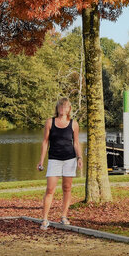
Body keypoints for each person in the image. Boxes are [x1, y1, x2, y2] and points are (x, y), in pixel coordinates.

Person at [37, 97, 82, 229]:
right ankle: (45, 219)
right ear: (57, 108)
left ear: (69, 109)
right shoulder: (50, 122)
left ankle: (63, 216)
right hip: (54, 159)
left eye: (66, 107)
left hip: (69, 159)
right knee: (50, 189)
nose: (63, 109)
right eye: (61, 107)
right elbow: (45, 142)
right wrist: (41, 160)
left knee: (67, 188)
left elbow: (76, 142)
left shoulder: (74, 124)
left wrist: (79, 158)